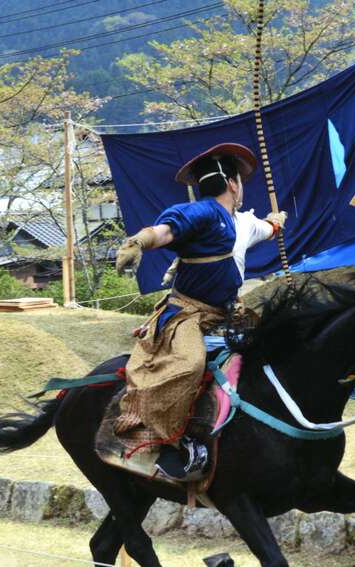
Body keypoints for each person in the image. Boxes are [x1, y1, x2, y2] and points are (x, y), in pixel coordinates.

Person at [114, 143, 287, 481]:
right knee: (188, 365)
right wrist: (139, 241)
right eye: (239, 182)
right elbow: (166, 229)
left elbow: (265, 229)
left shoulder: (245, 223)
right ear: (234, 184)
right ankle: (168, 444)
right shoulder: (204, 212)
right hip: (187, 316)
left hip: (227, 314)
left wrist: (275, 224)